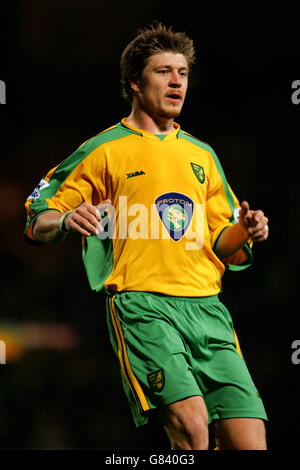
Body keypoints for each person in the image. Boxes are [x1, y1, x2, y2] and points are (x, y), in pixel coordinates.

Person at [24, 23, 269, 450]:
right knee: (192, 430)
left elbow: (223, 247)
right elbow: (36, 218)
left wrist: (242, 231)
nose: (177, 81)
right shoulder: (104, 149)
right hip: (143, 307)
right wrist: (64, 221)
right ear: (135, 83)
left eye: (183, 73)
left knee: (249, 440)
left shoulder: (203, 155)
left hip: (209, 311)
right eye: (163, 72)